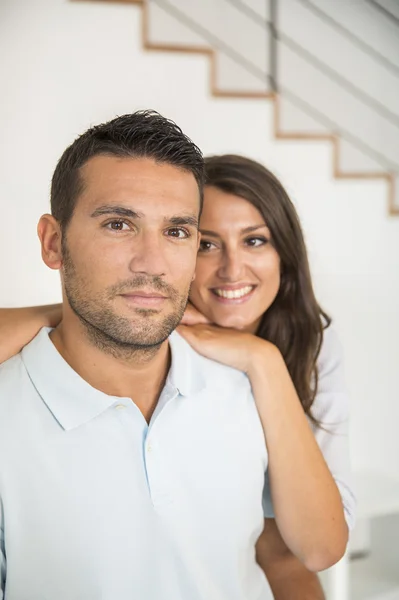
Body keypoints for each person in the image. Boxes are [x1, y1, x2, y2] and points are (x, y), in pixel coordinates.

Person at [0, 139, 354, 599]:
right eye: (119, 224)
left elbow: (302, 553)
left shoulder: (284, 362)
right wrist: (85, 311)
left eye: (177, 231)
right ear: (54, 242)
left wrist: (261, 359)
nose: (152, 263)